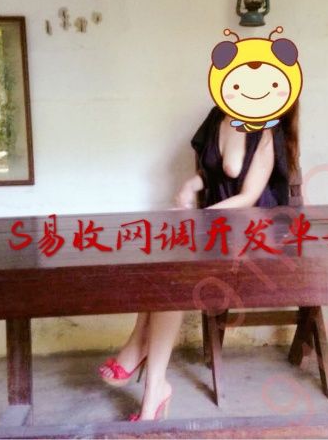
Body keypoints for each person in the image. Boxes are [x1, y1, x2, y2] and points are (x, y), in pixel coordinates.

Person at [98, 103, 298, 420]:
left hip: (253, 233)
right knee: (166, 266)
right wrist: (192, 184)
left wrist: (199, 219)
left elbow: (249, 198)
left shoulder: (266, 128)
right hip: (218, 228)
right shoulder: (219, 115)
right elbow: (211, 172)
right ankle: (153, 386)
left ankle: (141, 357)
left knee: (173, 271)